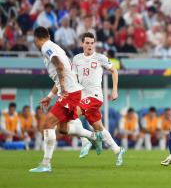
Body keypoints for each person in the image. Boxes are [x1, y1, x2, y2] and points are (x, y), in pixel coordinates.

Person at [29, 26, 103, 173]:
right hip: (73, 92)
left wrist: (62, 88)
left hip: (69, 93)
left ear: (36, 40)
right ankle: (93, 136)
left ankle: (46, 164)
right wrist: (50, 96)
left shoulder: (45, 47)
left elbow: (60, 65)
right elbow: (62, 71)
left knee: (47, 123)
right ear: (49, 36)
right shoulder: (53, 46)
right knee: (63, 129)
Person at [70, 32, 125, 165]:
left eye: (92, 43)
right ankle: (118, 150)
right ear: (82, 44)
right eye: (87, 43)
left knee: (71, 113)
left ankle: (85, 141)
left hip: (94, 96)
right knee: (99, 128)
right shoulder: (77, 58)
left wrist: (114, 90)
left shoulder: (100, 58)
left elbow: (114, 71)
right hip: (82, 97)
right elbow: (75, 79)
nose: (90, 45)